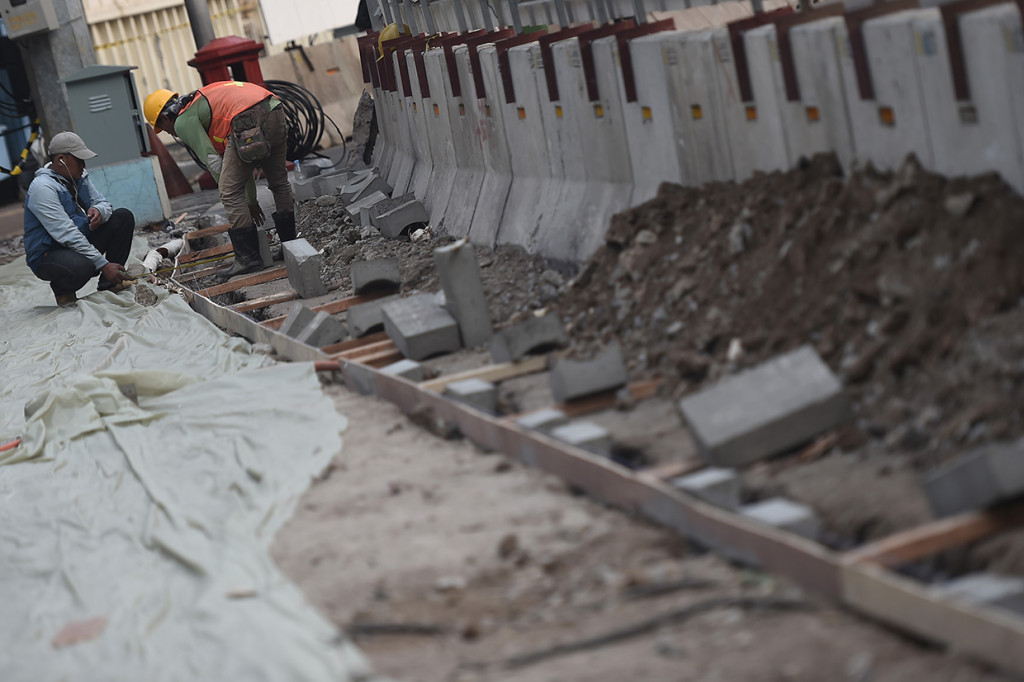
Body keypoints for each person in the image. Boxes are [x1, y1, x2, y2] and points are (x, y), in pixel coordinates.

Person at [143, 82, 296, 282]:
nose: (171, 133)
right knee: (278, 181)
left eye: (164, 129)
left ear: (165, 117)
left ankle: (248, 259)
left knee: (228, 191)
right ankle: (291, 246)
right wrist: (250, 201)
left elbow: (214, 162)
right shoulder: (200, 104)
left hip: (247, 118)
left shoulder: (182, 121)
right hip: (273, 107)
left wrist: (228, 187)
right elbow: (243, 167)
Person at [23, 132, 134, 307]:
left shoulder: (78, 176)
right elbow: (66, 234)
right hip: (48, 254)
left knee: (122, 217)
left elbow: (103, 203)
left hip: (75, 242)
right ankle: (62, 290)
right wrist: (103, 264)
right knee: (84, 266)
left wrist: (99, 211)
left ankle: (110, 283)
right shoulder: (43, 188)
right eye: (79, 160)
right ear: (61, 160)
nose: (83, 165)